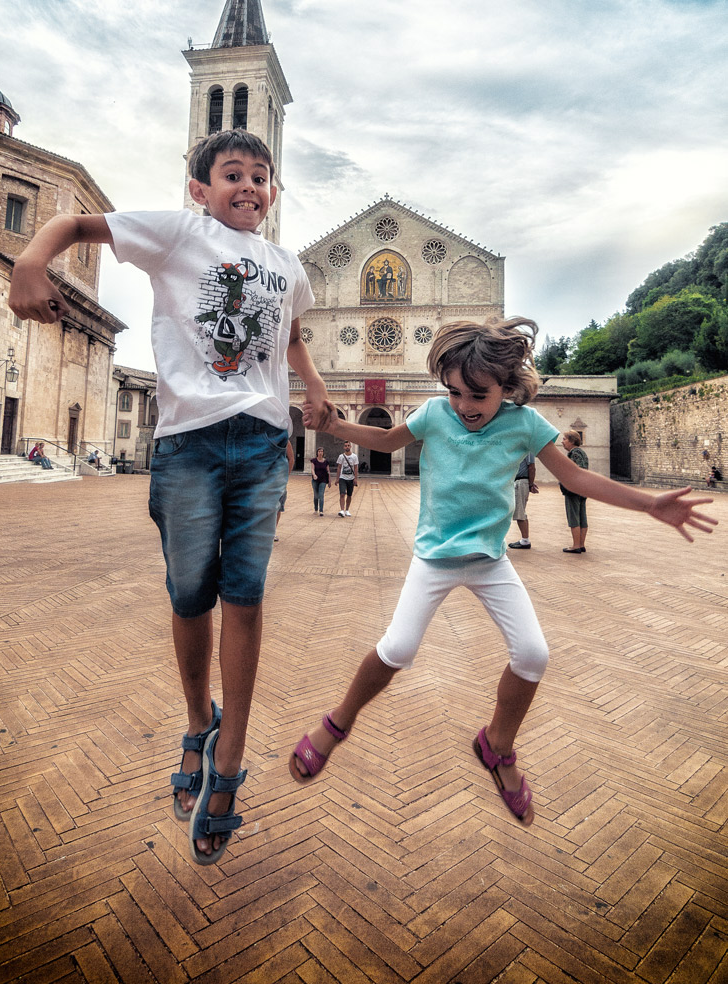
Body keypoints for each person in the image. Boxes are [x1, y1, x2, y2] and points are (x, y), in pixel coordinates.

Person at [8, 128, 332, 864]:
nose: (247, 186)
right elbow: (75, 224)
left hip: (260, 443)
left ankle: (228, 765)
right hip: (186, 443)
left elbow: (290, 333)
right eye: (231, 174)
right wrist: (31, 261)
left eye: (260, 176)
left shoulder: (288, 265)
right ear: (201, 188)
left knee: (244, 596)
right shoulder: (177, 232)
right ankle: (198, 722)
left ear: (272, 191)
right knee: (190, 595)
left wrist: (312, 386)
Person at [295, 316, 716, 826]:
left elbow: (576, 475)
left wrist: (650, 505)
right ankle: (337, 724)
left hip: (491, 561)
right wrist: (336, 425)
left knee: (533, 655)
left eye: (478, 395)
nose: (465, 406)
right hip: (434, 558)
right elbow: (385, 441)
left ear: (507, 387)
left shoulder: (525, 424)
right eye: (454, 393)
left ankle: (497, 746)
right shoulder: (433, 414)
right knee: (397, 649)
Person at [560, 430, 588, 553]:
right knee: (582, 517)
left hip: (573, 490)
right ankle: (581, 544)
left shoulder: (574, 454)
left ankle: (576, 545)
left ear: (571, 441)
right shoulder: (583, 453)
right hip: (583, 489)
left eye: (564, 439)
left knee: (574, 517)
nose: (562, 442)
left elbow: (575, 471)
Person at [508, 454, 537, 549]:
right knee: (520, 511)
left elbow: (532, 467)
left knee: (520, 512)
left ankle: (525, 540)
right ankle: (525, 539)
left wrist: (531, 484)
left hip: (521, 482)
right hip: (519, 482)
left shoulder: (528, 451)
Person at [274, 441, 295, 540]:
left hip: (279, 479)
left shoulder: (285, 439)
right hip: (265, 477)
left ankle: (273, 531)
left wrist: (286, 476)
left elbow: (291, 459)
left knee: (278, 506)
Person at [336, 440, 359, 516]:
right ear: (343, 447)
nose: (347, 447)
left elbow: (355, 468)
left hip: (351, 478)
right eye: (345, 446)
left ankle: (347, 510)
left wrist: (355, 478)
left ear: (350, 446)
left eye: (348, 445)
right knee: (342, 494)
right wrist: (337, 478)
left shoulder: (354, 456)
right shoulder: (341, 456)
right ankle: (342, 510)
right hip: (343, 478)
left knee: (349, 495)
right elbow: (339, 467)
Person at [310, 446, 331, 515]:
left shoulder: (326, 461)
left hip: (323, 480)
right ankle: (316, 509)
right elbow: (312, 469)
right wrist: (314, 475)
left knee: (321, 495)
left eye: (321, 451)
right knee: (316, 495)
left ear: (323, 453)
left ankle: (321, 510)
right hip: (315, 480)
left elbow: (328, 471)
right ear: (317, 452)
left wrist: (329, 481)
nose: (320, 453)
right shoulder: (314, 460)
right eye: (319, 451)